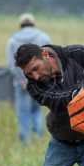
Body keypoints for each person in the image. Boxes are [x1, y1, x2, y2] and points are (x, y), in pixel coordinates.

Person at [6, 13, 51, 144]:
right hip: (39, 82)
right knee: (37, 109)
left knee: (23, 112)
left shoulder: (12, 40)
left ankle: (25, 141)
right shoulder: (43, 37)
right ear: (33, 23)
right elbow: (49, 59)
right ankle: (39, 137)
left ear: (20, 25)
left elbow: (11, 64)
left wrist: (22, 80)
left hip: (21, 84)